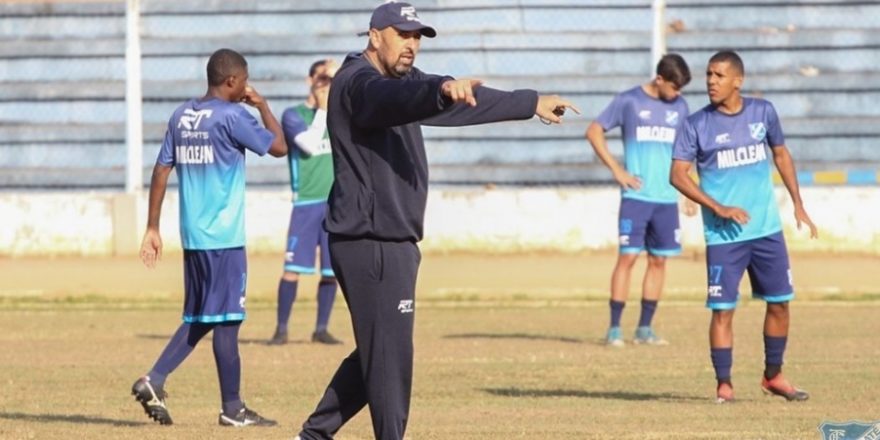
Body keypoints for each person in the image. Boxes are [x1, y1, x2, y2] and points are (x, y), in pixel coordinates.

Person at [292, 3, 579, 439]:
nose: (412, 44)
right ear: (374, 36)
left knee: (380, 348)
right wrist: (440, 91)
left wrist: (530, 102)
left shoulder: (404, 80)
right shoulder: (358, 83)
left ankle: (313, 435)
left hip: (395, 240)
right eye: (402, 34)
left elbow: (461, 102)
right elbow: (390, 100)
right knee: (390, 354)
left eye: (417, 36)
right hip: (369, 241)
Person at [132, 48, 286, 426]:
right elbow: (279, 146)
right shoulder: (234, 115)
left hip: (194, 236)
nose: (247, 87)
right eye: (245, 81)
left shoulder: (182, 115)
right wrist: (263, 106)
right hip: (224, 236)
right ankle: (228, 408)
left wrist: (153, 227)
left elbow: (160, 170)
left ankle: (162, 381)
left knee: (204, 316)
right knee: (227, 319)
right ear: (233, 81)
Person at [670, 50, 818, 403]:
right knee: (723, 309)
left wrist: (798, 204)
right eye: (708, 74)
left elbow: (781, 153)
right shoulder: (695, 124)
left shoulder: (762, 112)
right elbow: (677, 174)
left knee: (780, 303)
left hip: (766, 230)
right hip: (723, 236)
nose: (710, 81)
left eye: (719, 75)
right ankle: (724, 384)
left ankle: (774, 376)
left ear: (738, 80)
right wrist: (717, 206)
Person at [585, 54, 692, 347]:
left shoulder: (680, 107)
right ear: (659, 80)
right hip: (636, 197)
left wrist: (688, 190)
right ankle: (615, 328)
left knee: (658, 261)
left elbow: (684, 151)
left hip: (666, 198)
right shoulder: (628, 101)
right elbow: (593, 131)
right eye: (674, 87)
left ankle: (645, 328)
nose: (678, 94)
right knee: (628, 258)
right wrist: (617, 170)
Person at [268, 64, 343, 346]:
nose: (327, 83)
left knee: (331, 270)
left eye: (332, 79)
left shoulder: (340, 115)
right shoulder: (293, 115)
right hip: (306, 204)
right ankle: (281, 328)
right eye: (322, 77)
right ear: (310, 79)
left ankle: (321, 328)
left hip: (335, 203)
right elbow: (310, 145)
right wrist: (323, 109)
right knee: (293, 268)